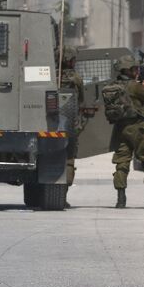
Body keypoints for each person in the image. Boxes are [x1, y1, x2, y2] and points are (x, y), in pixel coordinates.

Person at [105, 55, 144, 210]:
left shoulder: (114, 85)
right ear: (130, 70)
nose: (136, 71)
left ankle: (120, 200)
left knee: (122, 163)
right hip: (138, 128)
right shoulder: (134, 86)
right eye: (135, 69)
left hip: (120, 129)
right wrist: (143, 85)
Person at [58, 46, 84, 208]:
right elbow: (80, 98)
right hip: (70, 124)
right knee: (69, 159)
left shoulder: (51, 74)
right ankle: (63, 195)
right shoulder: (76, 78)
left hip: (49, 123)